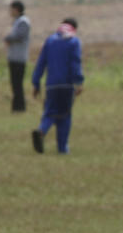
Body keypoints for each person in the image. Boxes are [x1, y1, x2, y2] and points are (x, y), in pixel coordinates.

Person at [31, 18, 84, 155]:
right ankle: (62, 147)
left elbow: (41, 63)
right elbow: (75, 63)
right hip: (66, 85)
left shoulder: (50, 41)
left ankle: (42, 130)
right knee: (65, 115)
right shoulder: (73, 41)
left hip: (51, 85)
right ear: (74, 28)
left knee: (50, 112)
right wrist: (78, 82)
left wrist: (36, 82)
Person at [4, 0, 31, 112]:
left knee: (18, 84)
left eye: (11, 9)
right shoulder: (17, 21)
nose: (10, 11)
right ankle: (16, 107)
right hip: (14, 57)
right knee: (15, 84)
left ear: (16, 9)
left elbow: (19, 36)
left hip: (19, 58)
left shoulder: (23, 21)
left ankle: (20, 108)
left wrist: (8, 38)